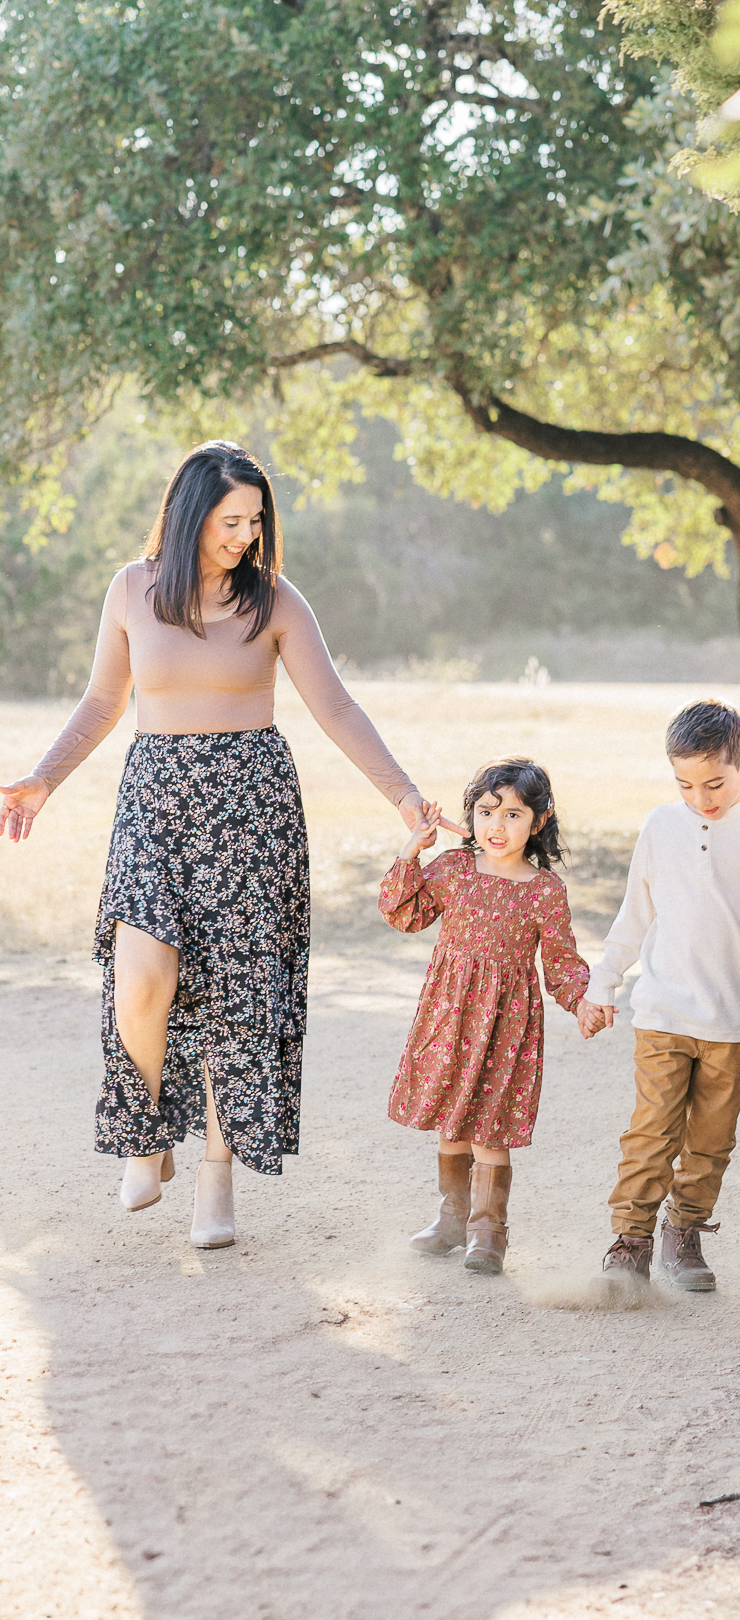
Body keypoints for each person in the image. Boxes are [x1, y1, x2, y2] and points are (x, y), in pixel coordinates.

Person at [0, 440, 454, 1248]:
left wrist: (405, 795)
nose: (244, 535)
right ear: (187, 513)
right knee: (140, 978)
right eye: (229, 519)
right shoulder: (131, 590)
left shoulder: (275, 601)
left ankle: (217, 1178)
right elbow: (104, 700)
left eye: (255, 521)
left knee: (238, 1002)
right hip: (156, 804)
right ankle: (145, 1137)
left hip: (252, 808)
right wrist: (43, 778)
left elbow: (338, 708)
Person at [577, 700, 740, 1292]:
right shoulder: (661, 826)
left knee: (710, 1141)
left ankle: (682, 1232)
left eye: (715, 782)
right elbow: (635, 914)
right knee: (651, 1131)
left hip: (734, 1018)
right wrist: (601, 984)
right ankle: (630, 1242)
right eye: (685, 784)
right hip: (662, 1010)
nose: (701, 797)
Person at [378, 757, 591, 1276]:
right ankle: (452, 1217)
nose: (497, 826)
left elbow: (562, 963)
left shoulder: (544, 891)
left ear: (538, 823)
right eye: (487, 812)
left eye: (514, 815)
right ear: (470, 815)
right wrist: (415, 846)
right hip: (451, 1019)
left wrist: (583, 1001)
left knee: (489, 1128)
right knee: (451, 1123)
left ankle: (488, 1231)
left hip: (506, 1027)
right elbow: (400, 911)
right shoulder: (452, 869)